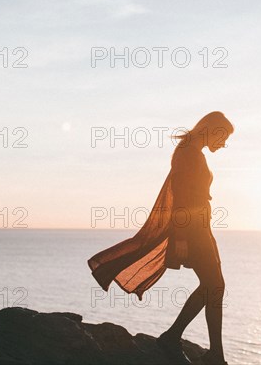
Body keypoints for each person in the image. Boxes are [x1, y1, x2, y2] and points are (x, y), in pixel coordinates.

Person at [88, 111, 234, 365]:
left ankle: (179, 338)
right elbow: (180, 199)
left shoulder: (193, 152)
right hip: (193, 230)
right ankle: (213, 355)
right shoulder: (188, 153)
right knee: (215, 287)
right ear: (212, 130)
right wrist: (182, 239)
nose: (223, 144)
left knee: (213, 287)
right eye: (223, 137)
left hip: (202, 228)